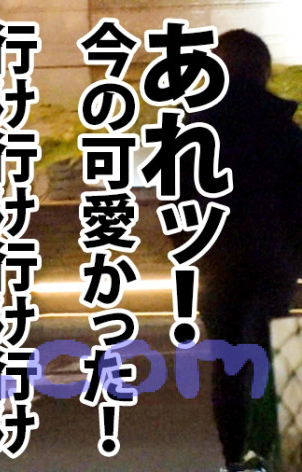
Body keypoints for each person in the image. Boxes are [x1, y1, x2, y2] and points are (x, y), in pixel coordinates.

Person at [179, 30, 302, 472]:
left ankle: (235, 459)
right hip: (273, 262)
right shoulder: (285, 132)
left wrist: (191, 252)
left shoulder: (197, 131)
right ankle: (275, 454)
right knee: (274, 357)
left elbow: (181, 200)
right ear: (263, 71)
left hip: (219, 263)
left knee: (228, 365)